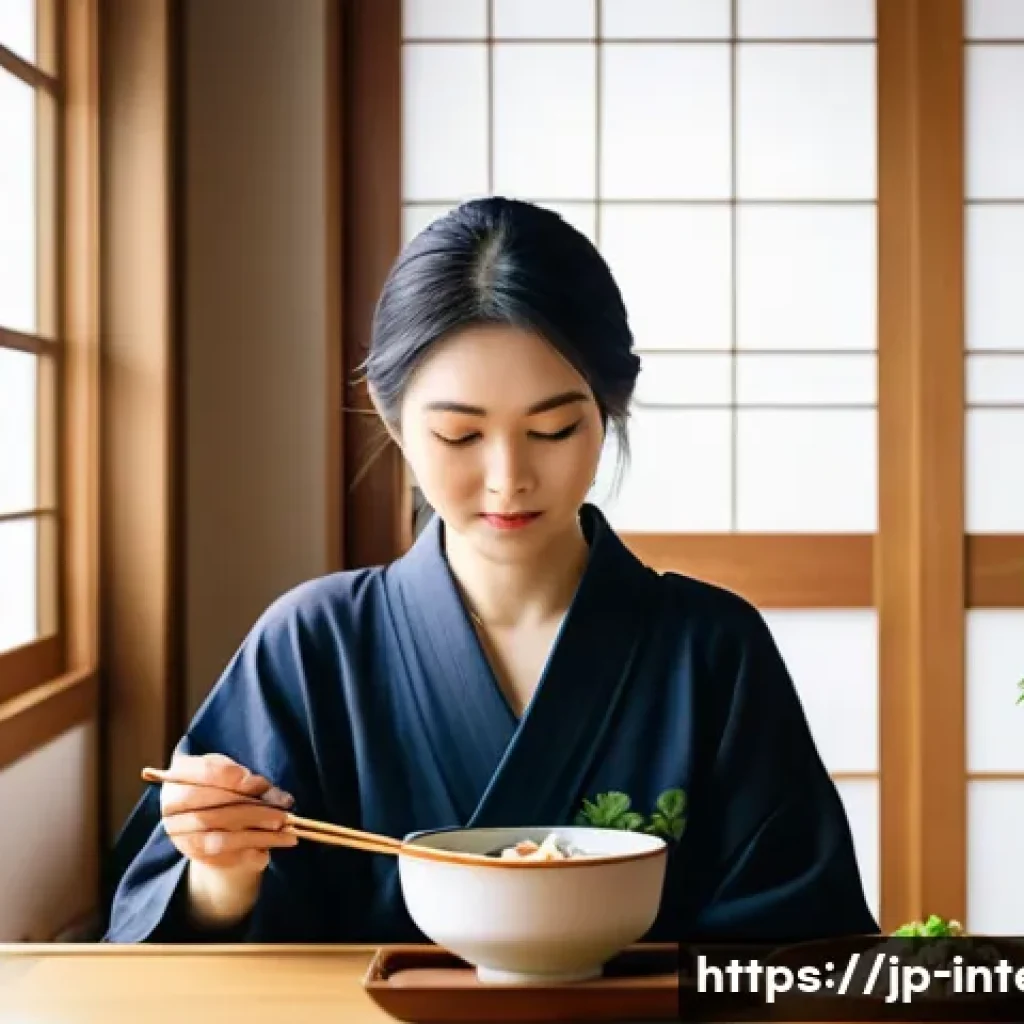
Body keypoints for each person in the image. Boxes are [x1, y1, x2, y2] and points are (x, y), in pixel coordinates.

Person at [104, 196, 879, 944]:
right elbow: (181, 952)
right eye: (459, 435)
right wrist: (221, 875)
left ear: (610, 408)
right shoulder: (313, 645)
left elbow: (801, 946)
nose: (508, 477)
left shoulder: (711, 649)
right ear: (390, 413)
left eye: (552, 428)